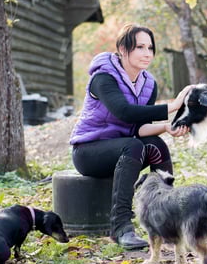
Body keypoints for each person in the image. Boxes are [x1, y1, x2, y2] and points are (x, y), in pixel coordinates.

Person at [69, 23, 192, 250]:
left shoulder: (148, 84)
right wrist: (173, 106)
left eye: (150, 48)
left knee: (157, 145)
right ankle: (121, 227)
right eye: (139, 47)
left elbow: (139, 128)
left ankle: (165, 219)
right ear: (123, 50)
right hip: (89, 151)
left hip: (125, 147)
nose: (147, 53)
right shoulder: (103, 77)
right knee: (133, 146)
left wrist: (166, 127)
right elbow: (124, 112)